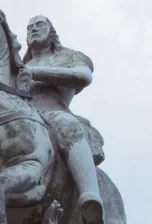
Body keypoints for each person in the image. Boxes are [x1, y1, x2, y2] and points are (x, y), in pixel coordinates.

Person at [22, 15, 105, 224]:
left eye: (39, 25)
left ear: (51, 32)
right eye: (29, 27)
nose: (33, 29)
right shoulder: (17, 64)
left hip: (53, 113)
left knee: (68, 126)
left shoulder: (67, 57)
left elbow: (83, 76)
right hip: (20, 116)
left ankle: (90, 197)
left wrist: (33, 72)